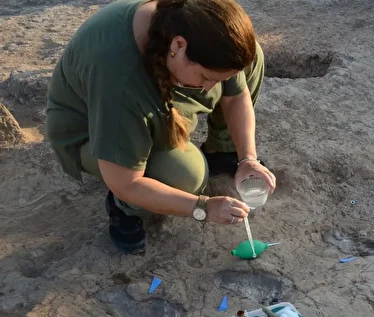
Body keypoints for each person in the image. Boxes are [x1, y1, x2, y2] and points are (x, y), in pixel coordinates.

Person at [46, 0, 276, 253]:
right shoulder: (121, 85)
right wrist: (203, 207)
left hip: (147, 94)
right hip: (96, 129)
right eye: (206, 78)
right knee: (185, 177)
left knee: (248, 54)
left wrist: (248, 158)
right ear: (178, 45)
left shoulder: (191, 29)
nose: (211, 88)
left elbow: (235, 95)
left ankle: (221, 150)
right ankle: (126, 208)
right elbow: (128, 183)